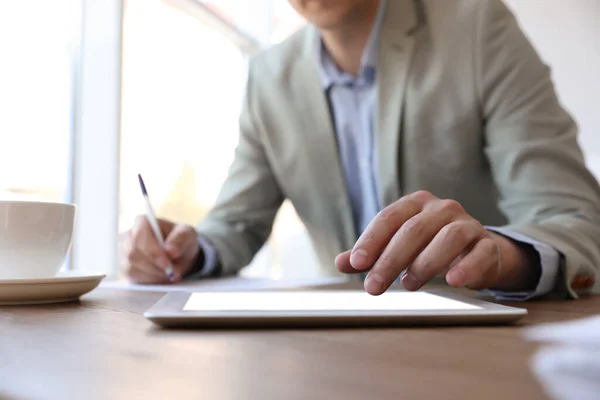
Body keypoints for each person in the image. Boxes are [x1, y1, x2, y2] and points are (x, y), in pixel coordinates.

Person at [120, 0, 600, 300]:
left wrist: (501, 255)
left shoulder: (479, 27)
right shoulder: (269, 79)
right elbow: (234, 227)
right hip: (339, 349)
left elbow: (574, 219)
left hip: (479, 344)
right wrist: (186, 251)